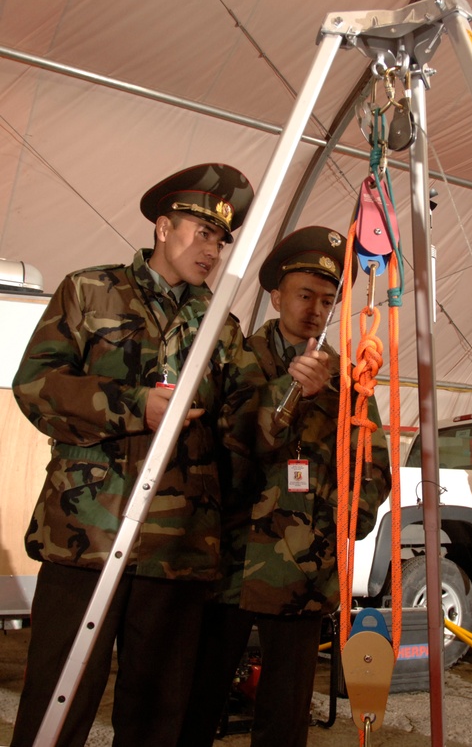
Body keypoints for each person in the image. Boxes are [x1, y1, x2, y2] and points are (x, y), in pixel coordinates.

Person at [9, 163, 290, 747]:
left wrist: (292, 394)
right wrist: (135, 405)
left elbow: (247, 431)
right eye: (201, 232)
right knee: (56, 704)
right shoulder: (89, 291)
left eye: (220, 239)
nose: (212, 250)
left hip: (177, 550)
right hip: (85, 537)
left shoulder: (223, 329)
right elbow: (35, 385)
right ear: (163, 228)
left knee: (157, 715)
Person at [178, 226, 391, 747]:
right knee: (197, 701)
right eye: (304, 295)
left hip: (303, 570)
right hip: (225, 562)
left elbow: (375, 466)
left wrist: (340, 522)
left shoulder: (349, 380)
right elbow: (222, 439)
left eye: (326, 299)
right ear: (275, 297)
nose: (316, 309)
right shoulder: (235, 358)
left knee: (285, 714)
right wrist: (294, 389)